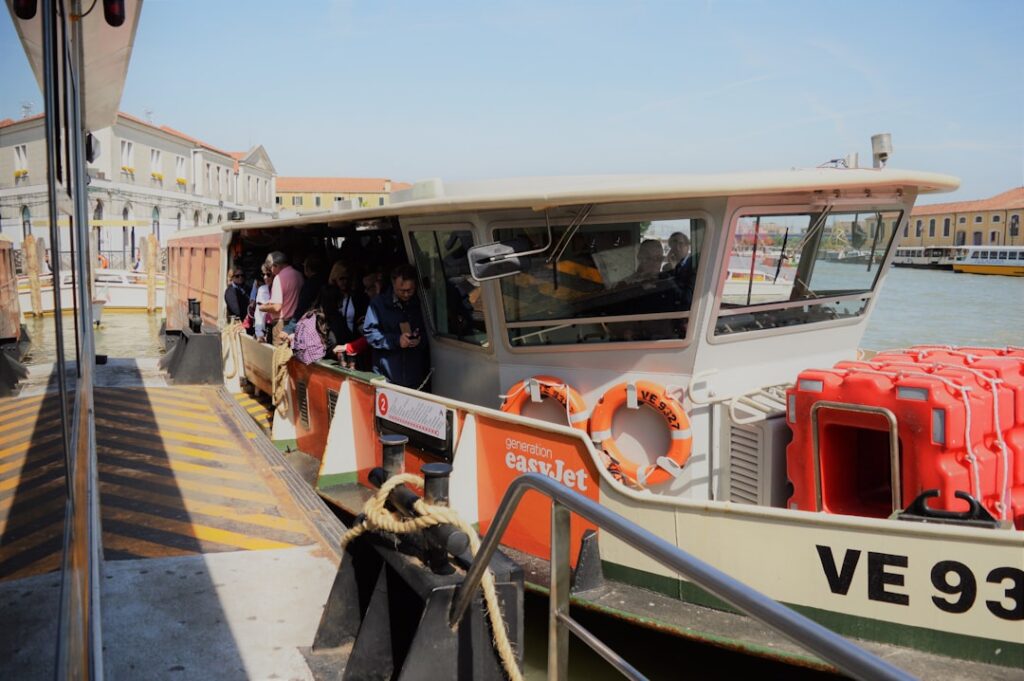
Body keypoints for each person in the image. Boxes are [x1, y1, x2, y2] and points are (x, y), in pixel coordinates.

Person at [362, 264, 430, 389]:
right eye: (401, 290)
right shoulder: (378, 304)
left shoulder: (421, 303)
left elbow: (429, 332)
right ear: (393, 285)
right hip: (387, 376)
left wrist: (419, 339)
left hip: (414, 375)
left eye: (410, 290)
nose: (406, 294)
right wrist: (396, 340)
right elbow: (370, 333)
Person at [259, 251, 304, 343]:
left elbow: (276, 307)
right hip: (297, 322)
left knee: (280, 355)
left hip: (282, 324)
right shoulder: (299, 275)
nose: (271, 271)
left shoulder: (279, 278)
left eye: (271, 268)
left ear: (275, 265)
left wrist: (262, 307)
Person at [253, 267, 273, 341]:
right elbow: (259, 313)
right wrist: (259, 332)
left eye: (268, 274)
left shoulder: (281, 288)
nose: (265, 277)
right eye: (263, 275)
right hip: (267, 327)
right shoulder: (262, 289)